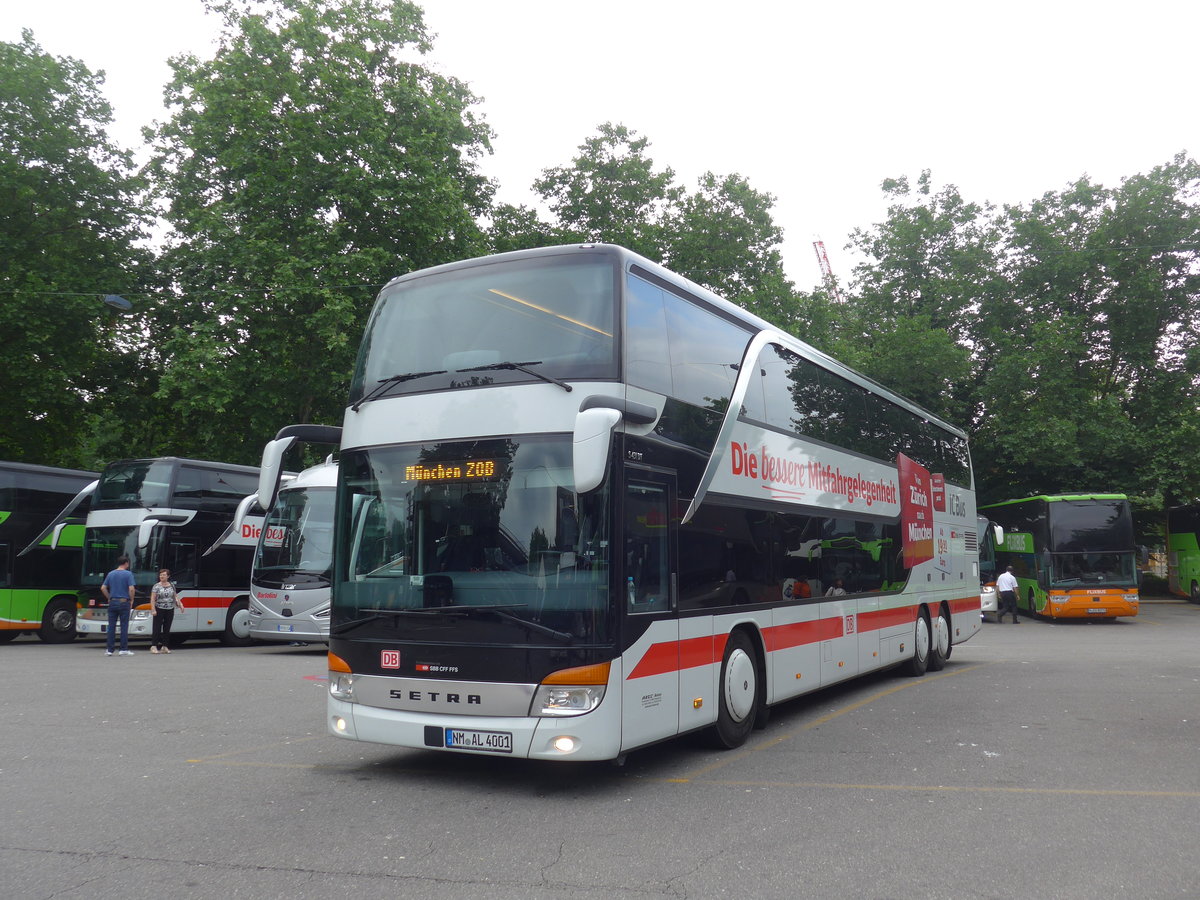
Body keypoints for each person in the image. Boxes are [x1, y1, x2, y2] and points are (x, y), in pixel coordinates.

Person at [101, 555, 137, 656]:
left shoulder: (111, 574)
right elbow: (131, 589)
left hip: (113, 602)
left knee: (111, 626)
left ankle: (109, 650)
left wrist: (109, 597)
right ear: (126, 563)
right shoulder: (128, 574)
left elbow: (103, 588)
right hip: (124, 602)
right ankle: (123, 649)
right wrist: (131, 599)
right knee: (124, 626)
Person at [149, 568, 185, 654]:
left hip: (169, 608)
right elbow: (153, 598)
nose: (162, 576)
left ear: (168, 576)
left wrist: (180, 604)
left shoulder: (172, 585)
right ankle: (154, 646)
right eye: (161, 575)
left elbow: (175, 596)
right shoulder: (156, 586)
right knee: (157, 628)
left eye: (164, 575)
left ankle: (164, 646)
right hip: (159, 608)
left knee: (167, 628)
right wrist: (153, 609)